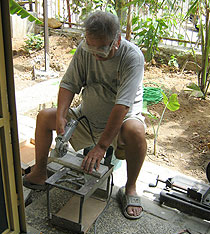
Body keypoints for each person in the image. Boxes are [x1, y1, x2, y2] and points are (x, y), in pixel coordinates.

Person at [23, 11, 147, 219]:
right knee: (45, 117)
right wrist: (62, 115)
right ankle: (40, 173)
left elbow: (122, 106)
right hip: (87, 117)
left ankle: (130, 188)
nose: (96, 53)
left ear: (117, 39)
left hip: (121, 124)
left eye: (102, 48)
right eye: (91, 46)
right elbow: (69, 83)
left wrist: (101, 147)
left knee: (136, 131)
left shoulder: (132, 57)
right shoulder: (85, 49)